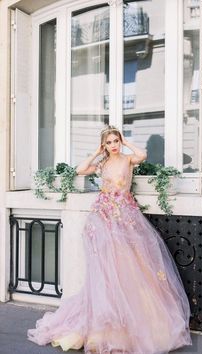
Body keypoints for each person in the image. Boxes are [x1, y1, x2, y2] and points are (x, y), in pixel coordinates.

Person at [27, 125, 192, 354]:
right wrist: (96, 152)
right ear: (104, 145)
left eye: (115, 141)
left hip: (126, 218)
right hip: (103, 220)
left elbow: (142, 155)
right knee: (106, 269)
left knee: (130, 267)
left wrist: (126, 142)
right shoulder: (102, 163)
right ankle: (106, 325)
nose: (113, 145)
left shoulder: (127, 160)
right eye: (109, 142)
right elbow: (80, 169)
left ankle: (131, 324)